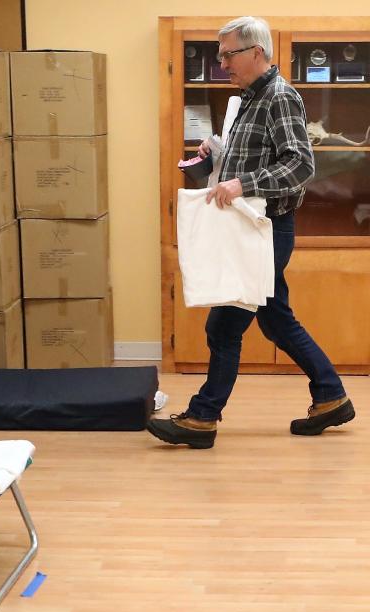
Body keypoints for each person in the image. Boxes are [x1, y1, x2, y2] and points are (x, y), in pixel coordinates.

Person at [148, 16, 355, 450]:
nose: (221, 62)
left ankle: (203, 418)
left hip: (266, 229)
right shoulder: (247, 98)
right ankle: (331, 395)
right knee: (276, 318)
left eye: (228, 53)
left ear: (256, 52)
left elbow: (300, 165)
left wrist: (242, 184)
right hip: (251, 227)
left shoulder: (280, 97)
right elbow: (258, 154)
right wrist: (217, 149)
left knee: (224, 325)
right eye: (220, 54)